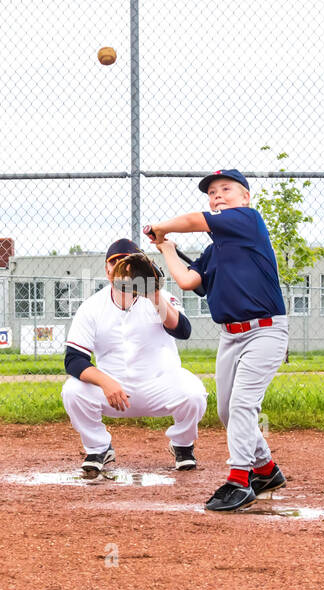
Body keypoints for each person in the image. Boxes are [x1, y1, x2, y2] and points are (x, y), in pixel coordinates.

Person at [144, 169, 288, 513]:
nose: (217, 195)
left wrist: (162, 225)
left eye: (225, 189)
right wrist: (166, 247)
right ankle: (266, 470)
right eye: (212, 192)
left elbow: (195, 220)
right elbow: (188, 280)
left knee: (241, 406)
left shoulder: (248, 221)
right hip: (230, 336)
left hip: (265, 331)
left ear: (245, 198)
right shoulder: (214, 251)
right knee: (227, 411)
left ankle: (239, 480)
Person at [61, 237, 207, 477]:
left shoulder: (159, 298)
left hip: (160, 384)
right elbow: (74, 359)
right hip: (114, 390)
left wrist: (153, 294)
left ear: (138, 269)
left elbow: (183, 330)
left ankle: (182, 445)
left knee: (194, 393)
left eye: (127, 263)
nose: (120, 269)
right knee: (72, 391)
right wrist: (105, 382)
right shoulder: (92, 306)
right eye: (114, 263)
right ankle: (98, 448)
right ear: (106, 270)